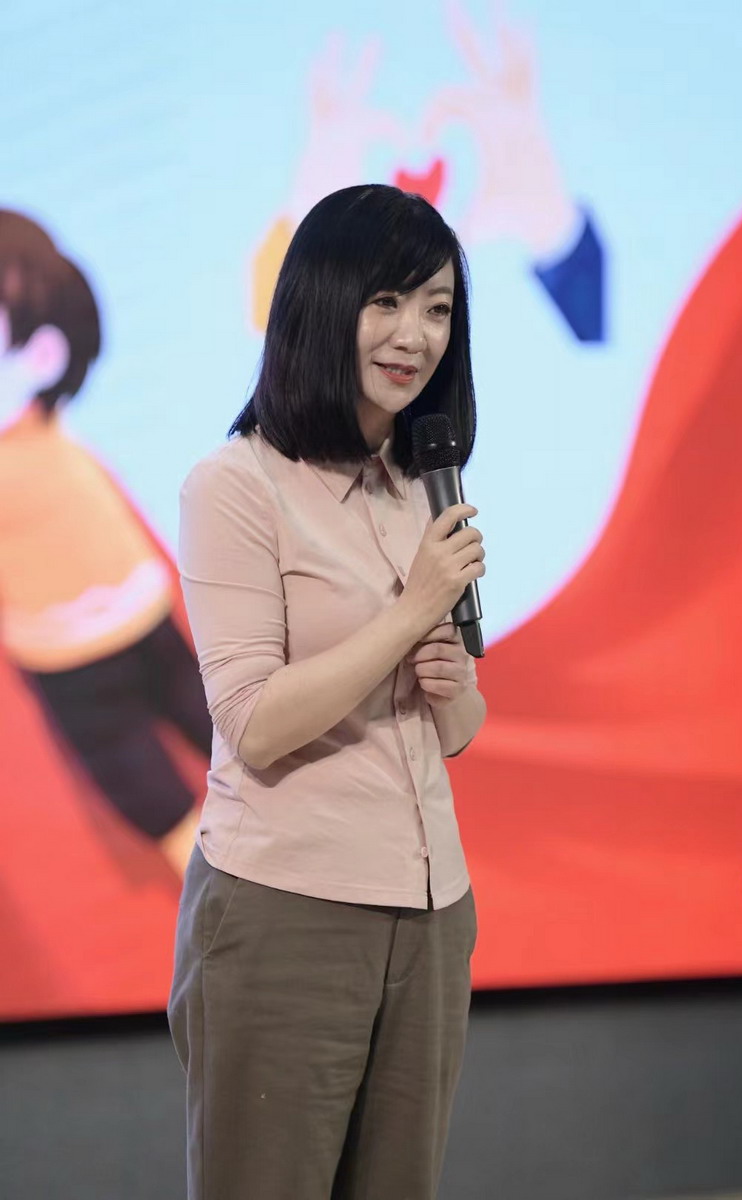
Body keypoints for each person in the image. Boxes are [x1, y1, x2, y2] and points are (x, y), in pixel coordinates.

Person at [168, 183, 488, 1200]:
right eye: (386, 300)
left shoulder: (424, 485)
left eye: (437, 308)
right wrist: (408, 613)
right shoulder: (236, 485)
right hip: (285, 914)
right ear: (321, 301)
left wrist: (450, 681)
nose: (415, 335)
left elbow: (458, 727)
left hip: (431, 911)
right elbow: (253, 724)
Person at [0, 209, 211, 875]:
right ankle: (220, 888)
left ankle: (307, 822)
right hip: (65, 656)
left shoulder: (44, 420)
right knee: (143, 784)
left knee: (220, 723)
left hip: (142, 610)